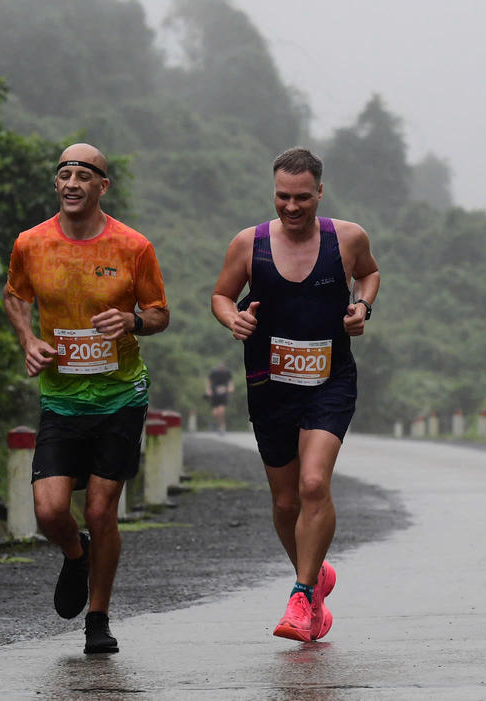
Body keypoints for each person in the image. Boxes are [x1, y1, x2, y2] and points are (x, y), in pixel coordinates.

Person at [2, 143, 169, 655]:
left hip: (120, 396)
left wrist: (132, 320)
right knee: (50, 512)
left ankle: (98, 618)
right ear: (57, 184)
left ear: (102, 186)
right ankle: (76, 556)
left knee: (101, 510)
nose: (72, 183)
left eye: (84, 175)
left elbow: (160, 313)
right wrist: (28, 341)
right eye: (64, 175)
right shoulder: (30, 245)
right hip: (61, 399)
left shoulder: (132, 246)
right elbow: (14, 296)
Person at [210, 146, 379, 643]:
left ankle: (303, 596)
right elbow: (220, 295)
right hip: (269, 384)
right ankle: (317, 575)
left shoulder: (347, 239)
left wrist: (362, 308)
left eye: (302, 197)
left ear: (320, 192)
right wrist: (232, 318)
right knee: (285, 503)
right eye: (283, 196)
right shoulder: (249, 243)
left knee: (311, 485)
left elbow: (369, 274)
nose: (291, 207)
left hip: (330, 382)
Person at [205, 362, 233, 433]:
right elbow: (208, 380)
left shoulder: (228, 373)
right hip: (214, 395)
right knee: (215, 413)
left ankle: (222, 426)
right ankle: (218, 425)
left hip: (223, 395)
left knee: (221, 411)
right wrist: (208, 390)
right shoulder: (213, 373)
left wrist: (229, 388)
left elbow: (230, 383)